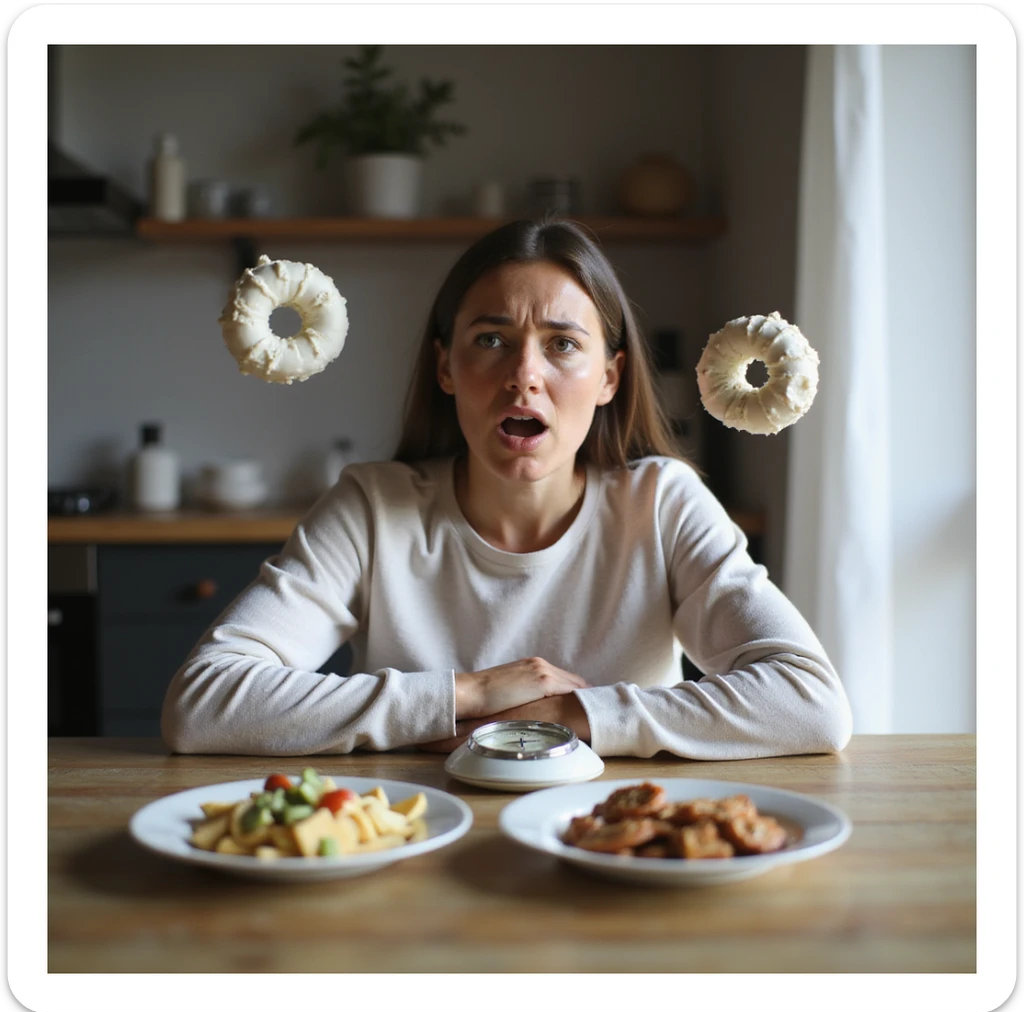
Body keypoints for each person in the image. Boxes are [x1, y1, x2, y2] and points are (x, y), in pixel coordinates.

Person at [161, 218, 853, 759]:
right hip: (417, 840)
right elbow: (204, 702)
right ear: (446, 368)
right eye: (491, 340)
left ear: (610, 378)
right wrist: (469, 694)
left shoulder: (662, 504)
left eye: (562, 344)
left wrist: (566, 717)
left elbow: (811, 703)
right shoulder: (372, 508)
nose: (524, 375)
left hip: (619, 849)